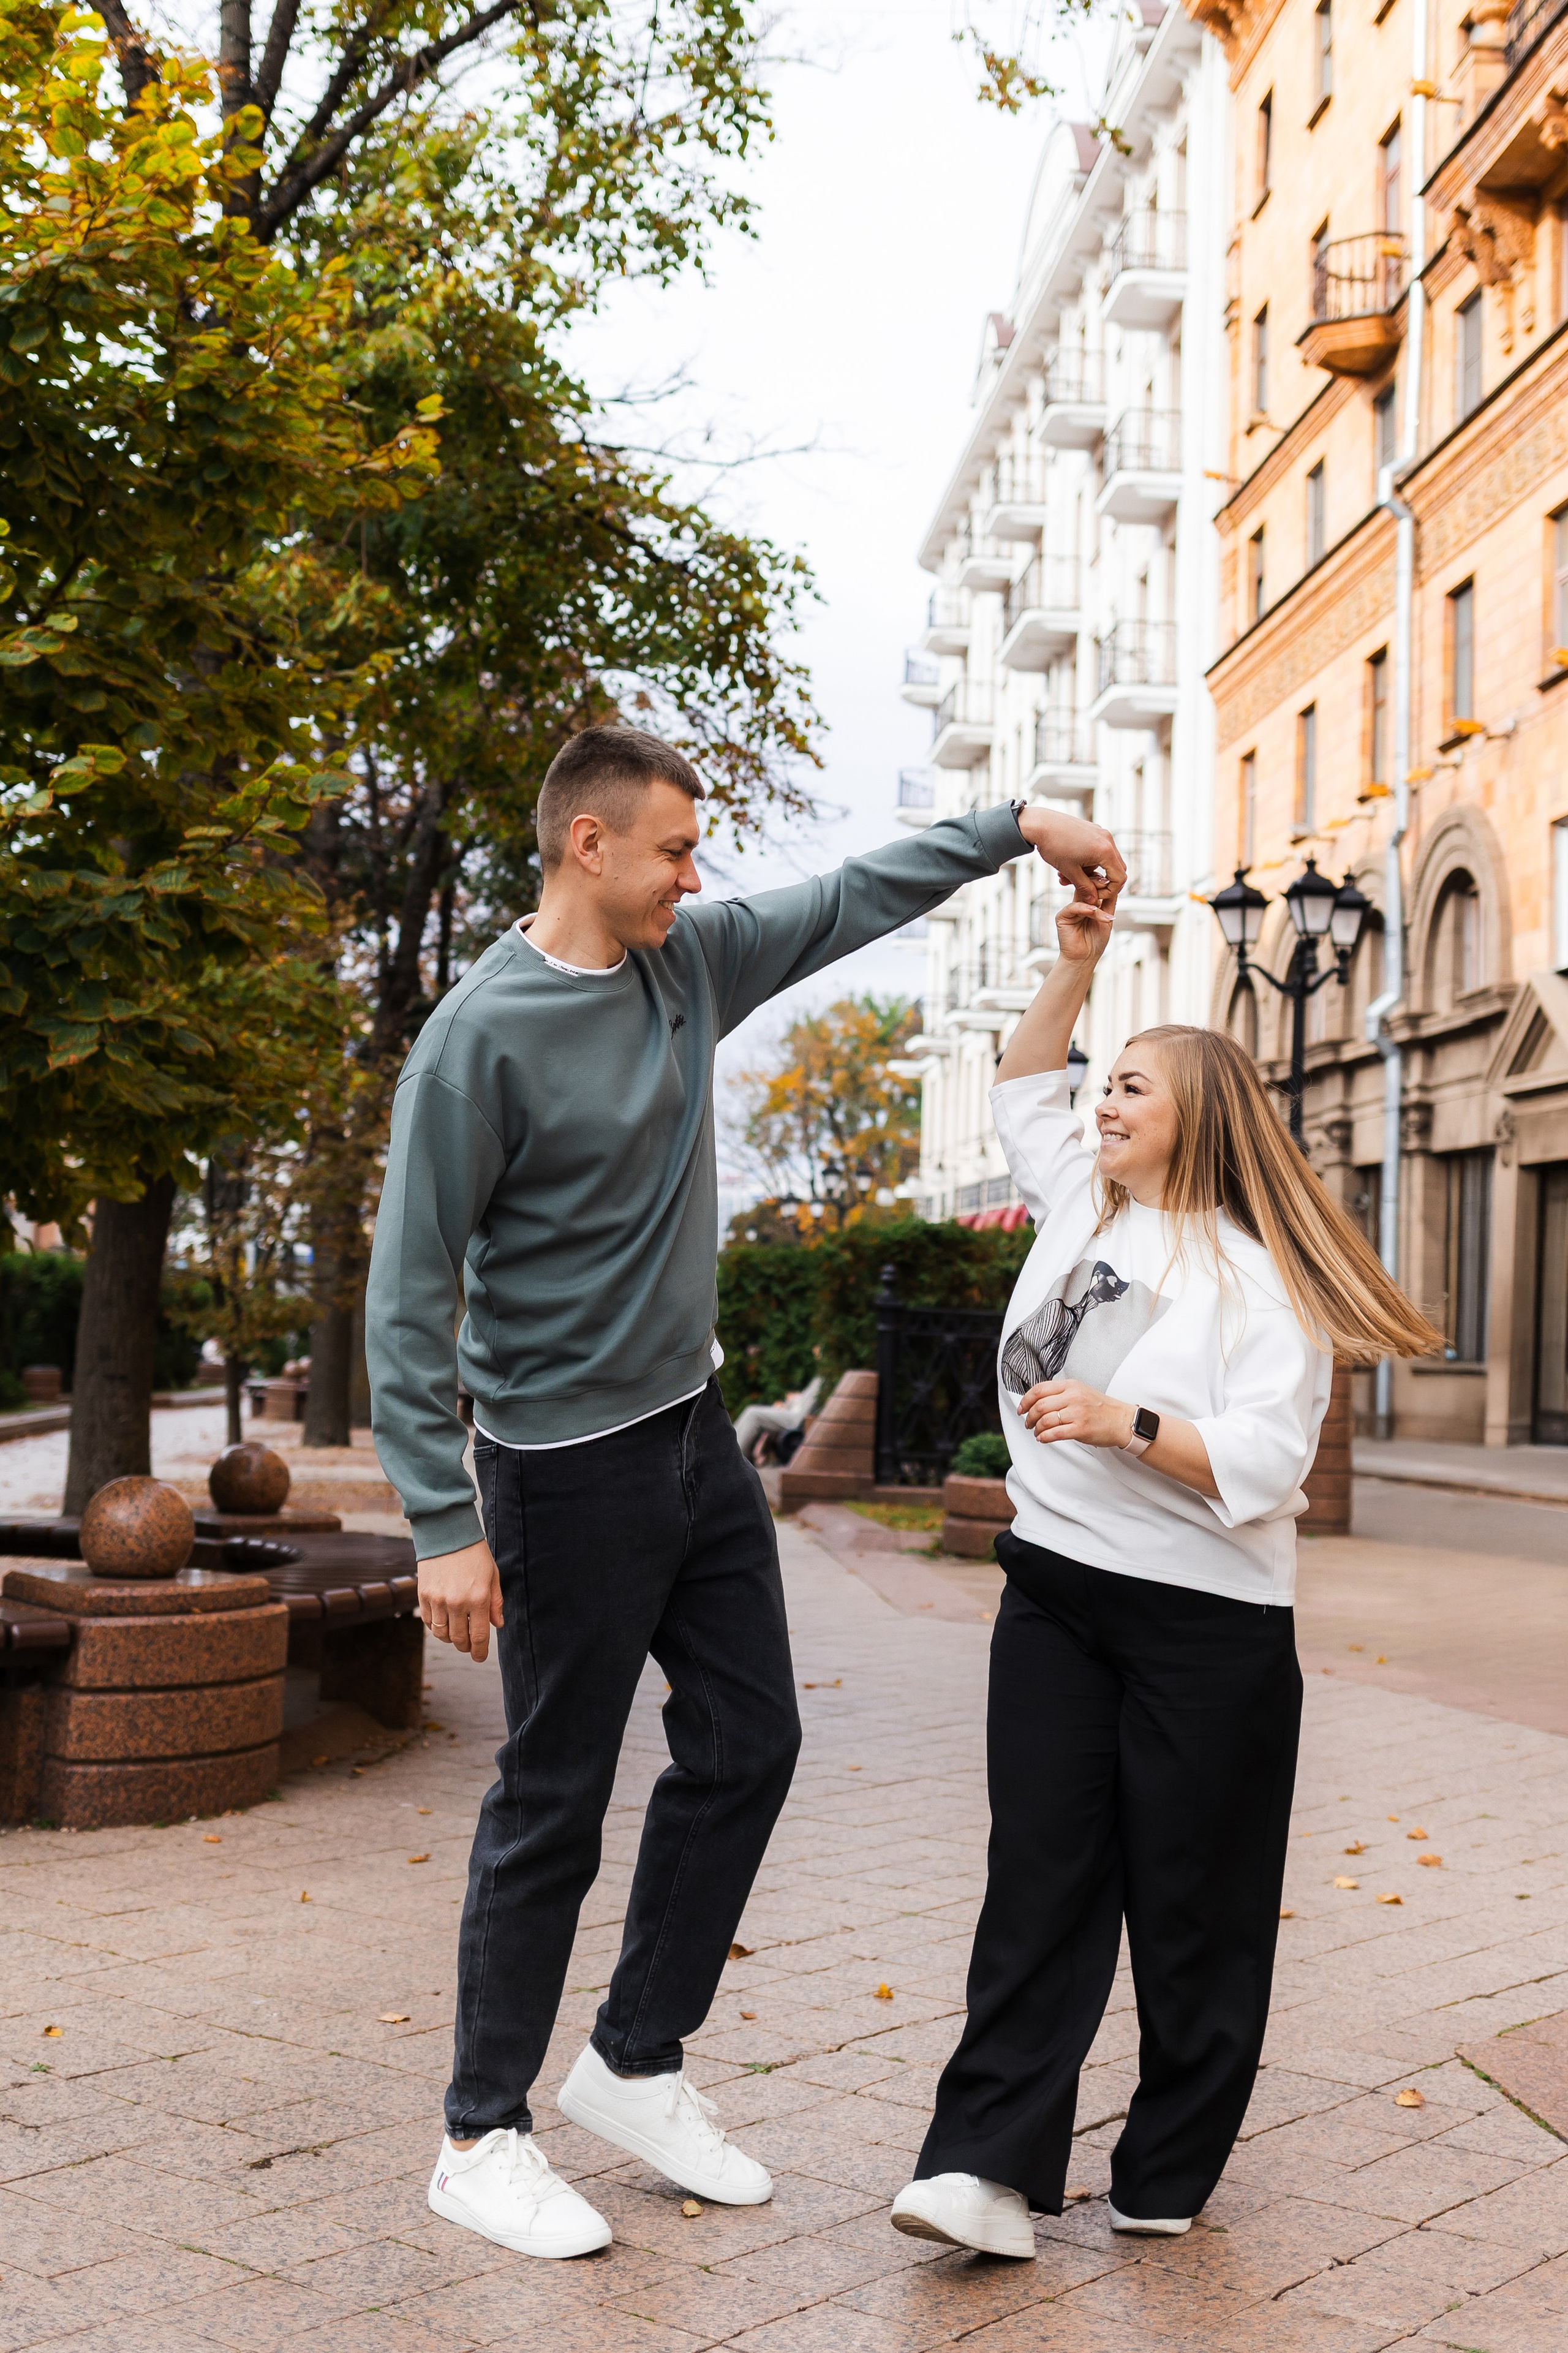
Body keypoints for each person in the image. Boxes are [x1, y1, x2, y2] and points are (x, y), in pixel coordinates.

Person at [364, 722, 1125, 2261]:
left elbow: (850, 895)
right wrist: (442, 1520)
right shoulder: (476, 1039)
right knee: (553, 1794)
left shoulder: (688, 965)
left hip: (693, 1437)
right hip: (557, 1465)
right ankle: (478, 2133)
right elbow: (407, 1289)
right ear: (587, 844)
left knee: (749, 1738)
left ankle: (635, 2058)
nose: (692, 878)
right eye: (670, 851)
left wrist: (1014, 824)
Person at [890, 887, 1442, 2261]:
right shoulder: (1082, 1200)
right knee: (1039, 1878)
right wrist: (1074, 966)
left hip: (1208, 1627)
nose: (1102, 1101)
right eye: (1107, 1082)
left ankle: (1166, 2166)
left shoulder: (1262, 1285)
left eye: (1132, 1085)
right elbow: (1026, 1080)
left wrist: (1126, 1422)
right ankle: (983, 2166)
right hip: (1056, 1593)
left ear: (1199, 1114)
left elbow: (1268, 1461)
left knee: (1195, 1908)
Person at [733, 1374, 821, 1466]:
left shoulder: (825, 1377)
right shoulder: (821, 1375)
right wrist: (791, 1401)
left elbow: (803, 1411)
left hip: (796, 1419)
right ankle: (729, 1448)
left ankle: (732, 1457)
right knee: (751, 1412)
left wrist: (791, 1403)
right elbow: (804, 1402)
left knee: (753, 1414)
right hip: (793, 1413)